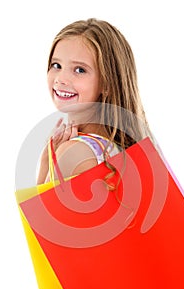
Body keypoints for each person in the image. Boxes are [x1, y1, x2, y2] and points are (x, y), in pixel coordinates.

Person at [37, 18, 152, 185]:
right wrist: (48, 159)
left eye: (79, 70)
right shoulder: (124, 150)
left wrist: (47, 163)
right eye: (56, 65)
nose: (61, 79)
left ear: (107, 83)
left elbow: (38, 212)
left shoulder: (73, 152)